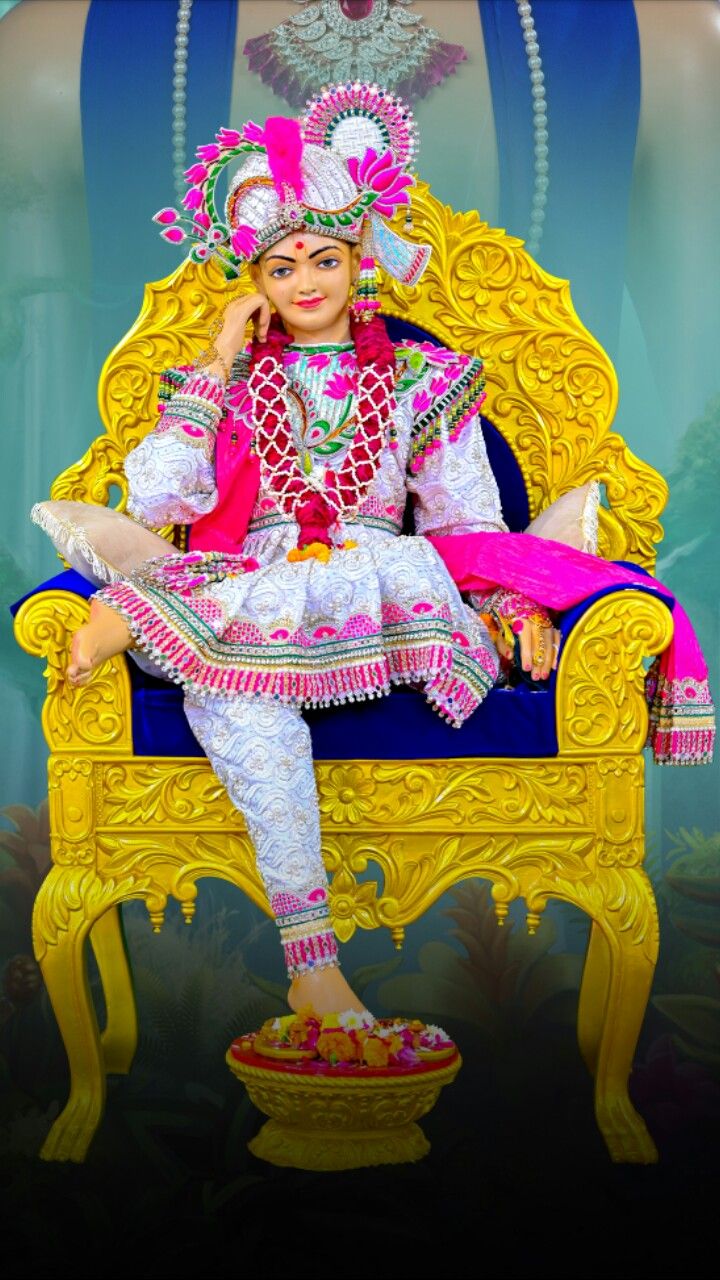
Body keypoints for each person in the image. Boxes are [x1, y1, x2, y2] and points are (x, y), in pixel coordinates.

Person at [30, 85, 712, 1021]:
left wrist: (519, 609)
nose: (305, 282)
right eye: (279, 268)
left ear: (359, 261)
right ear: (255, 283)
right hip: (253, 590)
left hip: (380, 594)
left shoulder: (425, 378)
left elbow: (469, 524)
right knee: (234, 691)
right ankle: (315, 967)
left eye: (324, 258)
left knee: (227, 667)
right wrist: (221, 361)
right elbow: (157, 497)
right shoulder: (228, 382)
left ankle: (142, 613)